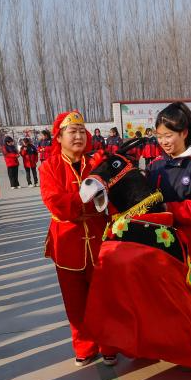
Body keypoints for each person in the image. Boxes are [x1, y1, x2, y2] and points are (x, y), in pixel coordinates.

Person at [39, 110, 118, 366]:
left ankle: (109, 345)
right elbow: (55, 203)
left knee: (104, 297)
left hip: (98, 237)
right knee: (75, 302)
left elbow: (110, 197)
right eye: (71, 132)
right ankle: (84, 347)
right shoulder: (49, 167)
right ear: (59, 137)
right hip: (66, 242)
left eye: (81, 131)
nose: (78, 136)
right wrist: (87, 201)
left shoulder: (96, 163)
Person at [146, 102, 191, 268]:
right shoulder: (154, 166)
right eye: (159, 136)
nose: (163, 141)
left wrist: (168, 208)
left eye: (168, 135)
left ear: (184, 133)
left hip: (190, 250)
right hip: (158, 246)